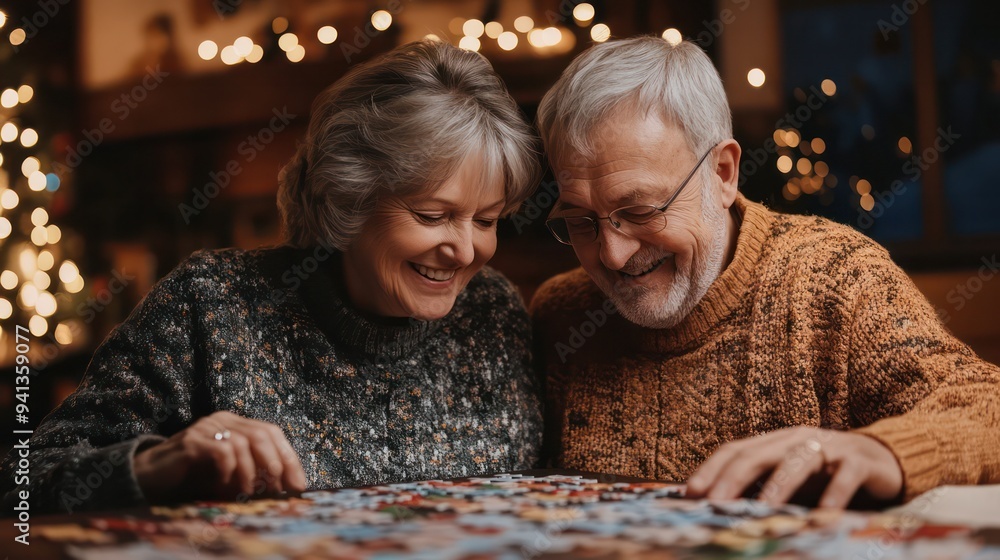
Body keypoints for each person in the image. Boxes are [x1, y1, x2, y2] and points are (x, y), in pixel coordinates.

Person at [1, 40, 543, 514]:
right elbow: (18, 490)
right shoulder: (213, 302)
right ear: (346, 197)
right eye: (432, 216)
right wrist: (153, 465)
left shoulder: (494, 311)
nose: (466, 249)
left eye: (488, 220)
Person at [530, 36, 1000, 509]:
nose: (611, 255)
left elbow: (988, 408)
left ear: (723, 173)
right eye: (579, 220)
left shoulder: (836, 279)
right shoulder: (560, 314)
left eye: (640, 209)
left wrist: (879, 449)